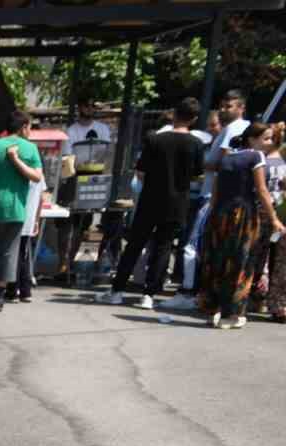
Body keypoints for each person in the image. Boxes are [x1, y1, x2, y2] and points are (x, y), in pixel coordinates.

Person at [98, 98, 206, 310]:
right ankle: (149, 294)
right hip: (178, 202)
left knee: (135, 244)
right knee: (164, 247)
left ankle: (117, 290)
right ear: (193, 119)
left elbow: (141, 171)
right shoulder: (196, 144)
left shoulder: (155, 140)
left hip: (150, 198)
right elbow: (197, 175)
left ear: (174, 114)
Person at [168, 90, 252, 310]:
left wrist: (197, 163)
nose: (224, 109)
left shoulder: (233, 130)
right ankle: (205, 294)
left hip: (213, 196)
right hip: (229, 197)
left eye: (230, 106)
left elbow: (226, 163)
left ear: (241, 108)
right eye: (223, 105)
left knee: (192, 246)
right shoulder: (242, 129)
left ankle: (187, 292)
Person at [196, 122, 284, 328]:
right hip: (243, 215)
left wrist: (212, 215)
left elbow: (216, 192)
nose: (269, 143)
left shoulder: (227, 158)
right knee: (240, 263)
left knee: (217, 261)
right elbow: (262, 191)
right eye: (266, 138)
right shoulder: (256, 157)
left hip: (220, 214)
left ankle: (213, 310)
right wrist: (273, 218)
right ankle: (231, 314)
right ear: (252, 139)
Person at [0, 110, 44, 312]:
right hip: (16, 209)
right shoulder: (30, 149)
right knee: (8, 253)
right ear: (23, 127)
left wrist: (0, 169)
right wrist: (16, 161)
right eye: (29, 127)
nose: (30, 131)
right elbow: (37, 177)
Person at [243, 122, 286, 319]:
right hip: (271, 214)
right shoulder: (266, 161)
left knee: (258, 256)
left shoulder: (266, 161)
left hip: (270, 214)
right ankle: (259, 299)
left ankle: (255, 297)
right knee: (263, 258)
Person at [6, 175, 45, 304]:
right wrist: (36, 220)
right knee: (23, 255)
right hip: (28, 218)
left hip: (15, 216)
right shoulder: (38, 172)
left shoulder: (16, 170)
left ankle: (13, 291)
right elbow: (41, 199)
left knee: (13, 255)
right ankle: (25, 291)